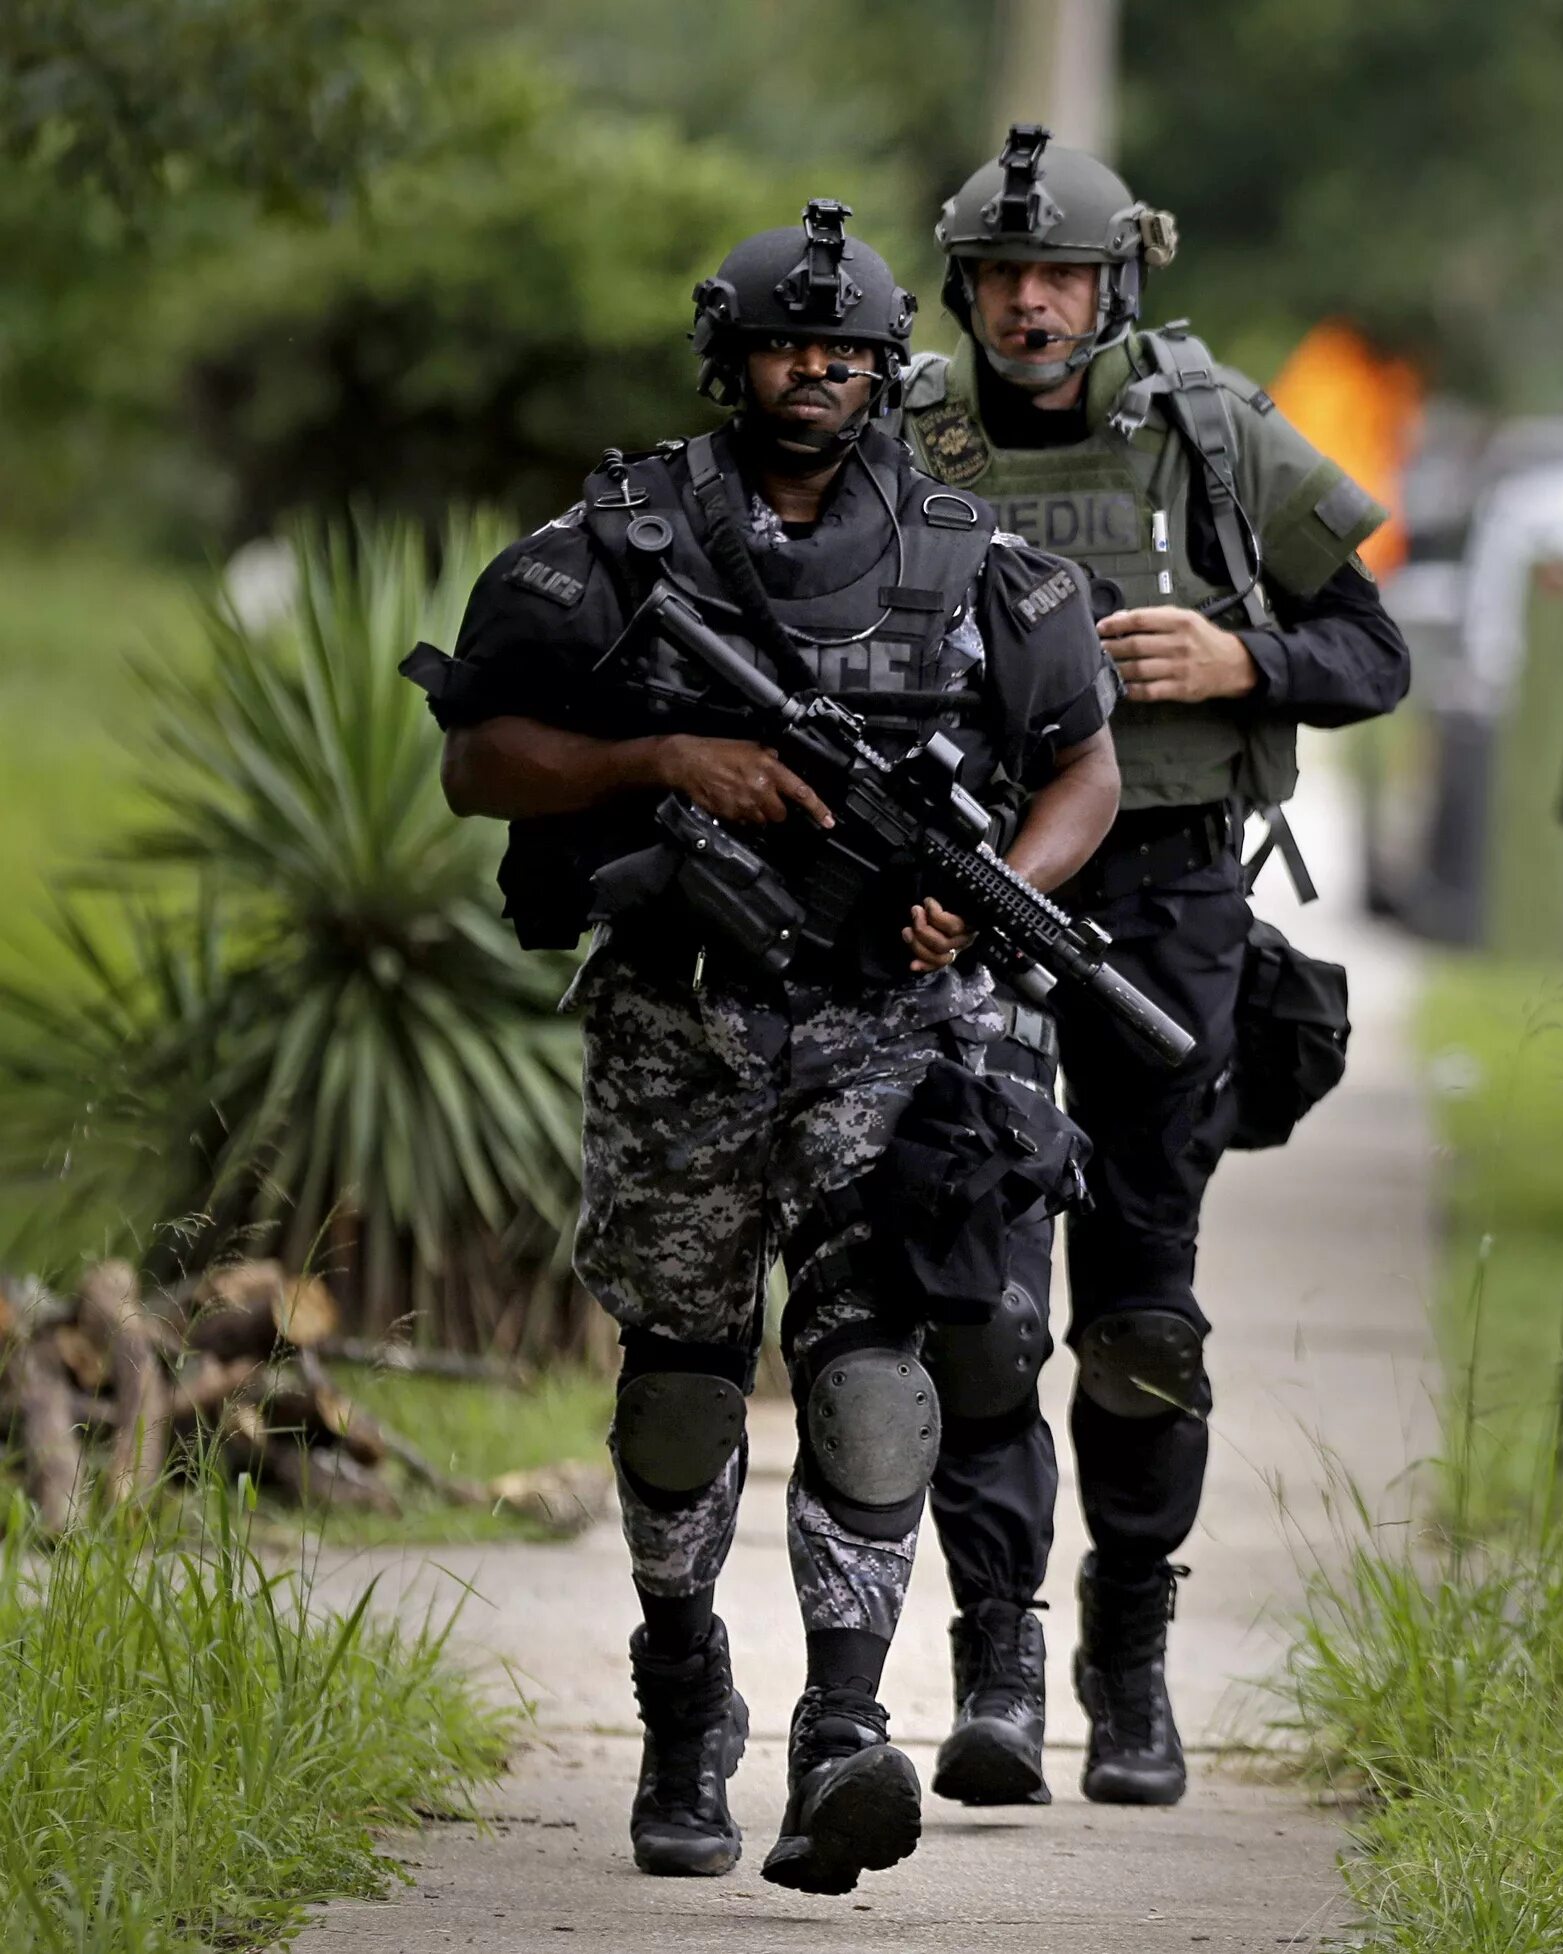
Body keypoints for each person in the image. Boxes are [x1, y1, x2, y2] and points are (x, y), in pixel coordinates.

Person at [410, 199, 1120, 1892]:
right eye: (793, 345)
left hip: (893, 1029)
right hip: (683, 1022)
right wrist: (660, 756)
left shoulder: (970, 558)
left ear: (887, 372)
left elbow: (1086, 760)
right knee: (677, 1387)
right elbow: (478, 755)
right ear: (732, 362)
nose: (821, 370)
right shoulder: (613, 545)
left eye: (853, 350)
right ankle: (681, 1694)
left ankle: (839, 1735)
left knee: (876, 1381)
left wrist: (995, 895)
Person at [901, 125, 1407, 1809]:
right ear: (967, 289)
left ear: (1115, 282)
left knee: (1138, 1307)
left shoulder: (1212, 433)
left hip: (1168, 899)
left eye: (1061, 278)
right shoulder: (906, 441)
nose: (1033, 304)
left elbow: (1371, 653)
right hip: (963, 899)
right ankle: (996, 1659)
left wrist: (1237, 654)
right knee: (976, 1299)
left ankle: (1132, 1663)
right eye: (1004, 278)